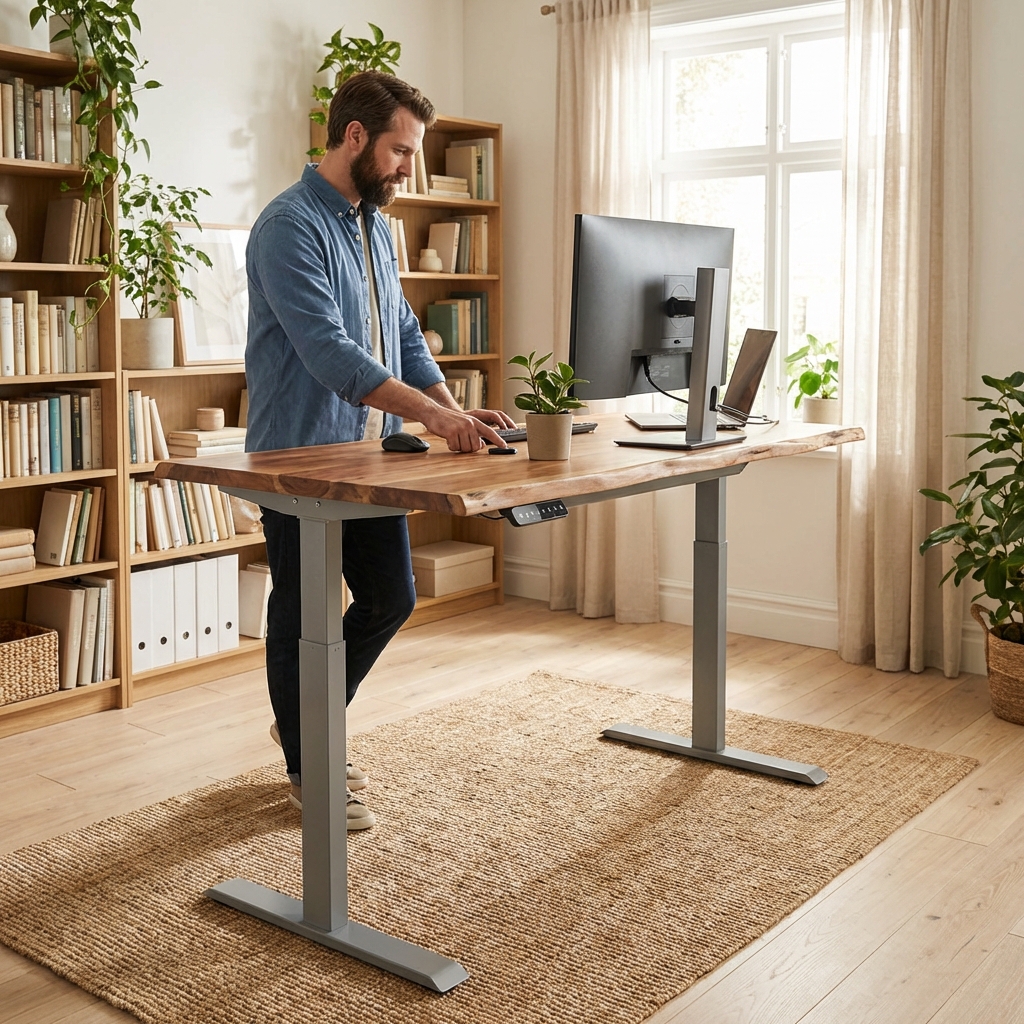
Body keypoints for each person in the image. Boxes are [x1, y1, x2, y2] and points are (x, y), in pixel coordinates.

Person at [245, 71, 515, 830]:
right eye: (400, 150)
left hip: (367, 451)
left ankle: (304, 726)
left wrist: (455, 413)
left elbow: (397, 330)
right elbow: (330, 353)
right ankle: (308, 762)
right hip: (297, 457)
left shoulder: (371, 223)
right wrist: (432, 415)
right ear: (354, 136)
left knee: (390, 597)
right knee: (304, 611)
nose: (408, 167)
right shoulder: (287, 225)